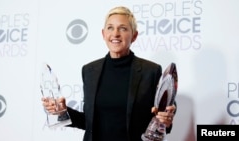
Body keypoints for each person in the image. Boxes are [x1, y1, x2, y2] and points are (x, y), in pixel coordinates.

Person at [42, 6, 176, 141]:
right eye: (110, 28)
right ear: (103, 34)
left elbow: (162, 116)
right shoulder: (89, 71)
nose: (115, 33)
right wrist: (62, 111)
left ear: (134, 36)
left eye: (123, 28)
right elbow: (89, 123)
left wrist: (166, 120)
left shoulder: (151, 71)